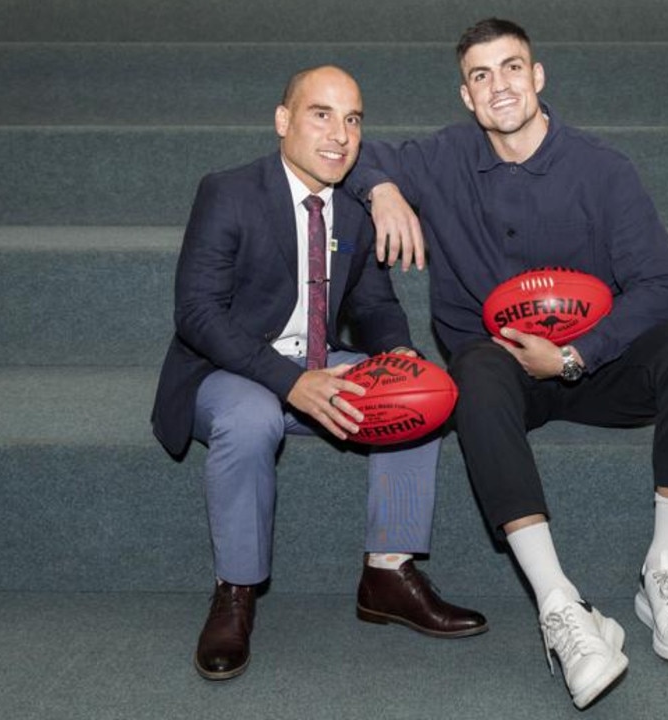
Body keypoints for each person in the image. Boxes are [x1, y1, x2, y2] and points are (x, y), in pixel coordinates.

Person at [345, 19, 668, 709]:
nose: (500, 87)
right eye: (482, 76)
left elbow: (664, 287)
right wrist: (384, 191)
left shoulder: (602, 168)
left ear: (539, 75)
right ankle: (562, 609)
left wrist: (578, 354)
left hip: (594, 366)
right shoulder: (441, 158)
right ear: (465, 96)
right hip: (502, 377)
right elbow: (354, 156)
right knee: (475, 374)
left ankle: (663, 573)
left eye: (512, 68)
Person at [151, 65, 487, 682]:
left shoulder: (354, 209)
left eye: (353, 119)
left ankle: (388, 573)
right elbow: (197, 314)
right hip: (224, 370)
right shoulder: (229, 191)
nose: (340, 134)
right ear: (283, 122)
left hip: (315, 362)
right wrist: (289, 383)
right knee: (252, 417)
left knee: (423, 393)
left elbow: (376, 306)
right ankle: (235, 592)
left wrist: (400, 354)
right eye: (321, 114)